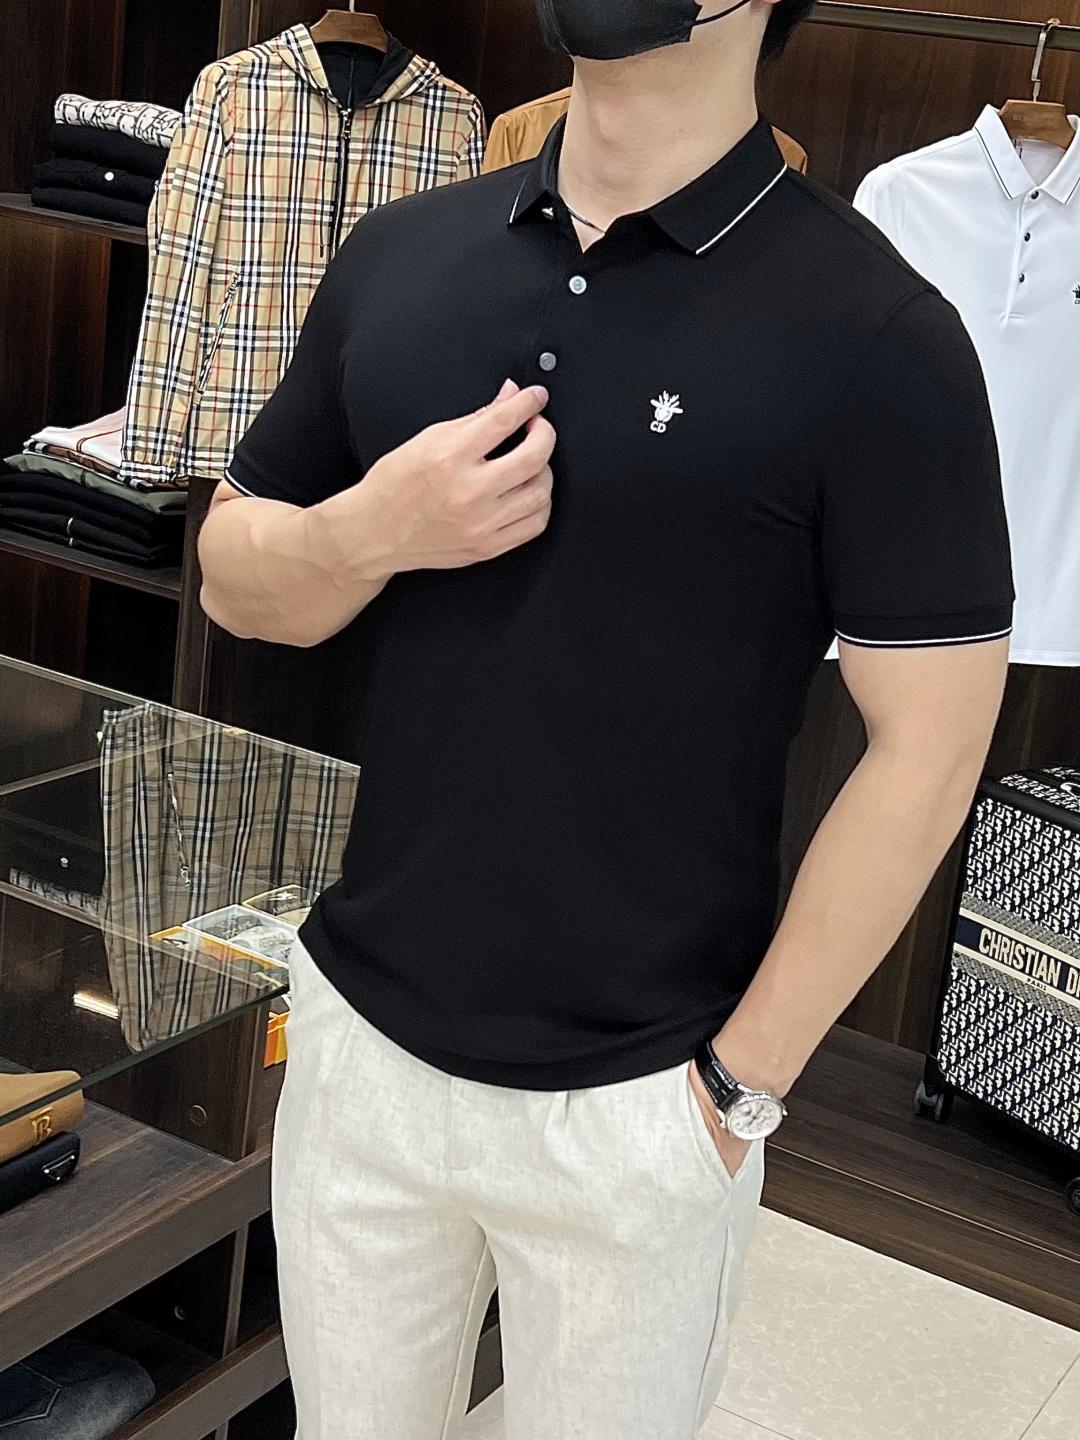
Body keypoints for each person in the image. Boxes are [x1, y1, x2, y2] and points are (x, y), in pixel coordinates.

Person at [199, 1, 1015, 1435]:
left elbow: (933, 746)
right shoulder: (404, 254)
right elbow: (234, 578)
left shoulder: (881, 333)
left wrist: (737, 1090)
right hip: (361, 1051)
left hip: (642, 1101)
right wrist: (372, 530)